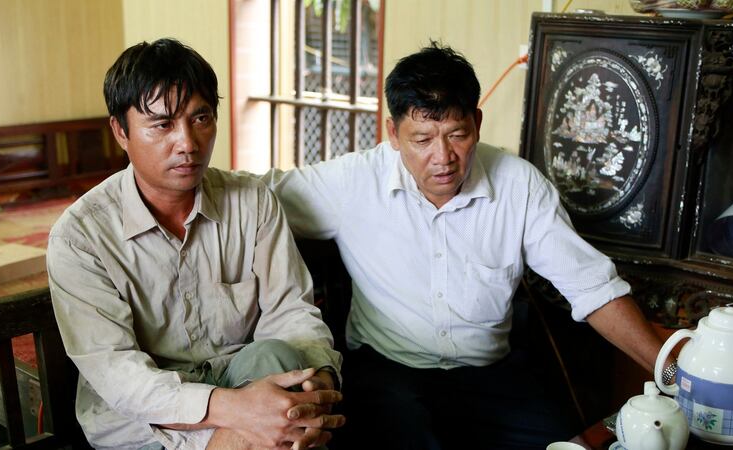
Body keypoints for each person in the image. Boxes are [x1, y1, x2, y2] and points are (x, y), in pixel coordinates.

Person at [261, 42, 670, 449]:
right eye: (422, 139)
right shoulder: (354, 182)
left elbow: (592, 287)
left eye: (457, 135)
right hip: (389, 372)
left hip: (491, 374)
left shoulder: (518, 185)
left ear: (476, 122)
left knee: (568, 446)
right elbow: (255, 198)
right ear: (392, 133)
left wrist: (671, 372)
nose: (443, 157)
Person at [47, 38, 344, 450]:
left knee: (285, 370)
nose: (188, 142)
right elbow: (120, 375)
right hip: (142, 420)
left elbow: (292, 312)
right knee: (264, 434)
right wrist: (238, 414)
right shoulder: (81, 236)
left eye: (201, 118)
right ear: (120, 131)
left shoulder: (253, 202)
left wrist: (318, 381)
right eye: (162, 124)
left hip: (245, 381)